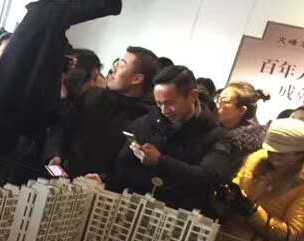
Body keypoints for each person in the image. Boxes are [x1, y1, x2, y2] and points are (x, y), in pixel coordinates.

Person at [0, 0, 147, 181]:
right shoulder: (46, 12)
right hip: (12, 113)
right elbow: (80, 7)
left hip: (9, 110)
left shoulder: (40, 21)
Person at [105, 65, 232, 211]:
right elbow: (122, 165)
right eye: (159, 103)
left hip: (178, 215)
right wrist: (105, 182)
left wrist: (160, 161)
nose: (164, 110)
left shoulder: (216, 135)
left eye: (170, 103)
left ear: (193, 96)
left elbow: (208, 178)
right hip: (134, 208)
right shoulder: (148, 121)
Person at [214, 118, 304, 241]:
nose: (273, 155)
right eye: (270, 150)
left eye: (281, 153)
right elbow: (237, 186)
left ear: (299, 153)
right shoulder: (255, 162)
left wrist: (253, 212)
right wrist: (226, 198)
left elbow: (291, 234)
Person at [56, 46, 159, 179]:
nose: (113, 69)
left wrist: (105, 178)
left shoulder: (145, 119)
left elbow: (131, 166)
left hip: (103, 188)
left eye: (121, 65)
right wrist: (54, 155)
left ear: (137, 79)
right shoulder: (91, 97)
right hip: (63, 179)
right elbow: (60, 128)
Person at [214, 82, 269, 170]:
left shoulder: (245, 145)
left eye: (224, 101)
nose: (217, 105)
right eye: (218, 99)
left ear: (241, 110)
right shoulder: (214, 128)